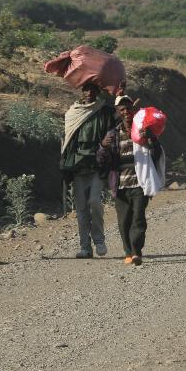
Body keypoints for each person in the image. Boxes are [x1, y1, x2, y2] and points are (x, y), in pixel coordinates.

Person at [98, 95, 165, 266]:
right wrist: (103, 146)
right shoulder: (112, 134)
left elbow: (156, 155)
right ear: (118, 112)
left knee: (138, 218)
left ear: (133, 111)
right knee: (124, 220)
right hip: (120, 185)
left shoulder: (143, 131)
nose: (126, 112)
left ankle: (136, 251)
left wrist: (151, 139)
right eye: (122, 109)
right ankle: (128, 251)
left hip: (140, 183)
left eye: (128, 108)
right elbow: (101, 160)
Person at [61, 83, 114, 259]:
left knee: (94, 202)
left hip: (97, 165)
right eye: (86, 89)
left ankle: (99, 240)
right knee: (81, 208)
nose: (89, 93)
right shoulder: (73, 113)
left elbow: (115, 124)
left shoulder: (104, 112)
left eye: (93, 90)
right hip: (78, 166)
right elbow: (68, 141)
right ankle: (85, 247)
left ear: (98, 92)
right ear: (82, 92)